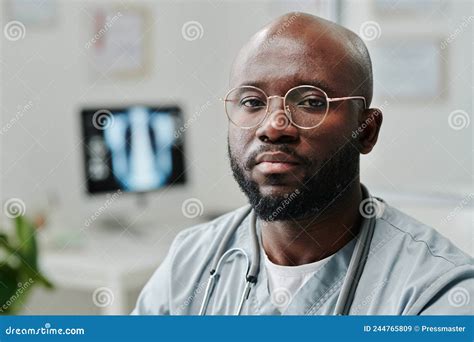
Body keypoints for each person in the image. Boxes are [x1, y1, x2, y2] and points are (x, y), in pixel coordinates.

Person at [132, 12, 473, 315]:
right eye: (252, 101)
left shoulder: (439, 292)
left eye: (311, 101)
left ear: (366, 131)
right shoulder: (190, 262)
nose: (273, 126)